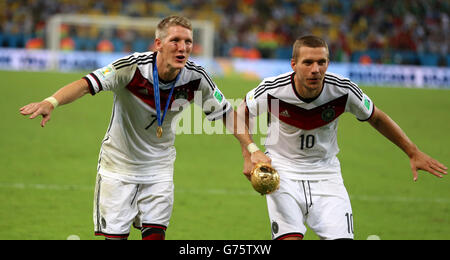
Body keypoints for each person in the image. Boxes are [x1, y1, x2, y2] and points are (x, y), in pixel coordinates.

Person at [20, 15, 269, 240]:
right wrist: (51, 102)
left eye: (188, 42)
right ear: (158, 44)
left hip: (158, 168)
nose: (182, 48)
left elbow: (227, 113)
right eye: (175, 40)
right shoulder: (130, 68)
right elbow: (86, 84)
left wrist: (251, 148)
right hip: (118, 166)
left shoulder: (196, 77)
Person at [238, 35, 447, 240]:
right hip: (283, 172)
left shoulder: (343, 90)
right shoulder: (273, 89)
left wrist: (412, 151)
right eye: (308, 62)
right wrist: (250, 153)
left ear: (328, 63)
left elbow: (377, 118)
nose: (315, 69)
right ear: (294, 64)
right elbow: (239, 114)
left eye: (321, 62)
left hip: (327, 174)